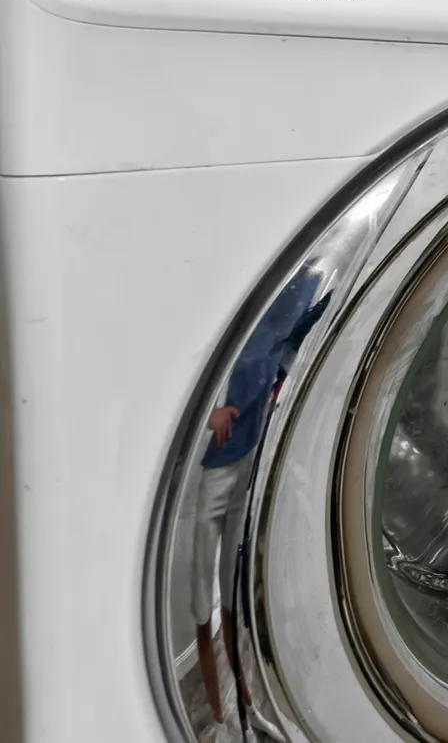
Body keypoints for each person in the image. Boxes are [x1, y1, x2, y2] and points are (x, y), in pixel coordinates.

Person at [187, 261, 328, 728]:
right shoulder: (264, 303)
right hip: (216, 464)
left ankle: (241, 699)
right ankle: (215, 709)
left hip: (248, 454)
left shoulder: (295, 298)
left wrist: (275, 390)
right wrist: (210, 414)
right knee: (202, 599)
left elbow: (289, 345)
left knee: (228, 589)